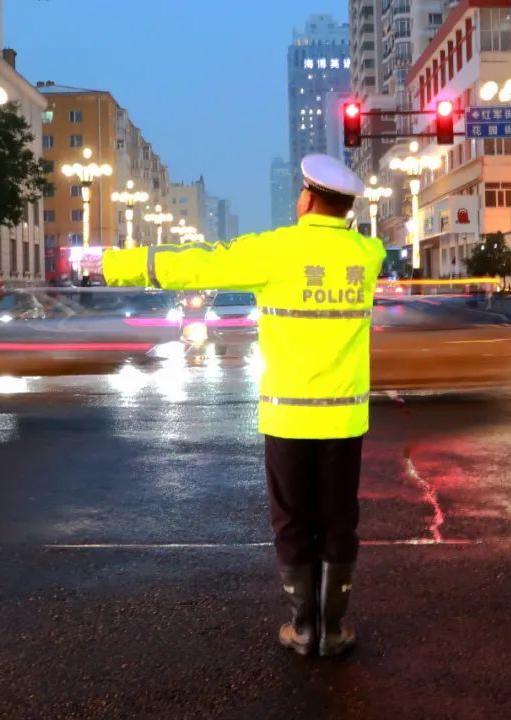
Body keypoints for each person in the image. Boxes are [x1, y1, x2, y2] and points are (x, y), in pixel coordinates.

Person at [100, 155, 385, 658]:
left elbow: (199, 263)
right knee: (339, 523)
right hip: (344, 418)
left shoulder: (275, 251)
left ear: (306, 198)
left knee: (292, 522)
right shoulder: (369, 253)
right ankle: (334, 630)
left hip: (288, 417)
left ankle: (303, 629)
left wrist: (116, 265)